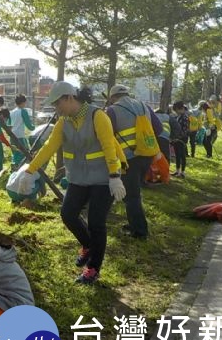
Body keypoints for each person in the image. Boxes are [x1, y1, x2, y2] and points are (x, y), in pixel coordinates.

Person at [27, 81, 126, 284]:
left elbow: (109, 146)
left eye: (57, 104)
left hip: (103, 179)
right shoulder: (64, 122)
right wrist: (30, 170)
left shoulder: (98, 116)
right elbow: (49, 146)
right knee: (68, 214)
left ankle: (93, 268)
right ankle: (89, 246)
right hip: (78, 179)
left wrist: (114, 177)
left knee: (96, 222)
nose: (56, 109)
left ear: (69, 98)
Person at [106, 84, 162, 240]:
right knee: (134, 192)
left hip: (128, 158)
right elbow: (158, 129)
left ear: (113, 97)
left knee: (131, 196)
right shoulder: (144, 105)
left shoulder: (112, 110)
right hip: (147, 154)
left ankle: (139, 232)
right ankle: (134, 224)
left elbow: (106, 136)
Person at [9, 94, 35, 168]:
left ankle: (14, 165)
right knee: (24, 153)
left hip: (12, 135)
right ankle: (20, 168)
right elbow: (29, 126)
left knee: (15, 153)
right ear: (23, 102)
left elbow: (9, 124)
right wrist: (34, 128)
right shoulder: (23, 111)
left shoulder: (12, 112)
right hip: (20, 136)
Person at [170, 101, 189, 178]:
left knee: (182, 155)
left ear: (180, 109)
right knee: (177, 155)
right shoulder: (177, 117)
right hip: (176, 139)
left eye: (176, 110)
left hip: (182, 139)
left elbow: (184, 130)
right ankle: (177, 170)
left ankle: (183, 172)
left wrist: (178, 137)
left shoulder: (185, 117)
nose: (176, 112)